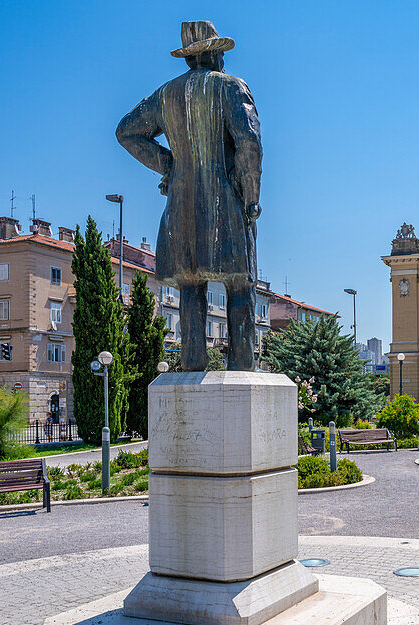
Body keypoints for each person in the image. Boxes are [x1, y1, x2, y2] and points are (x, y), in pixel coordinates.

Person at [116, 20, 263, 371]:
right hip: (226, 198)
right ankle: (243, 369)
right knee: (240, 285)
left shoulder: (166, 94)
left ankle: (192, 366)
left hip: (181, 204)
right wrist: (251, 195)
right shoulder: (230, 87)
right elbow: (249, 143)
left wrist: (170, 164)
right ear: (213, 53)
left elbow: (126, 132)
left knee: (190, 287)